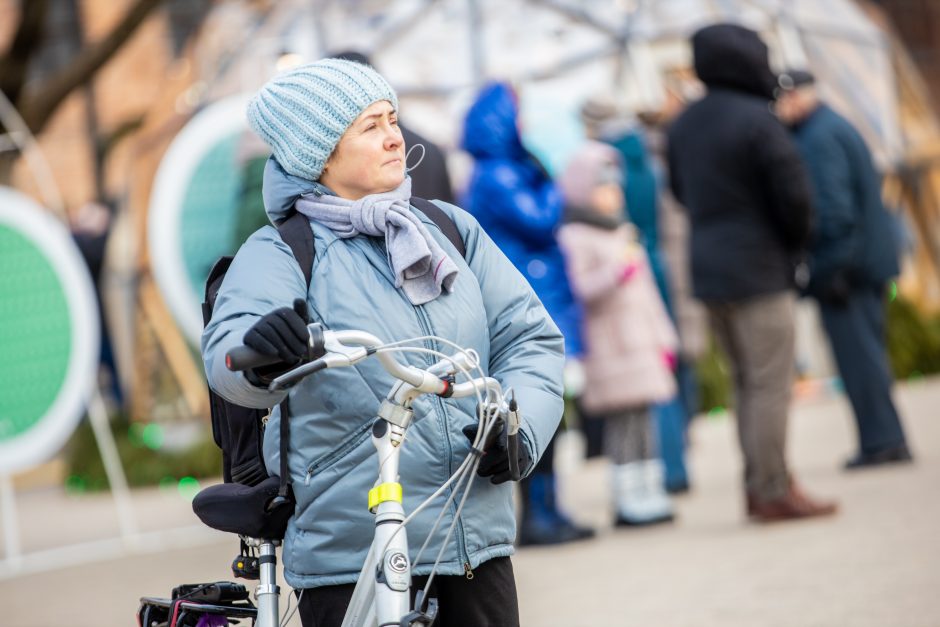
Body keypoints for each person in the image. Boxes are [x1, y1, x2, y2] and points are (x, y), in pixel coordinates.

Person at [202, 58, 565, 627]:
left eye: (393, 119)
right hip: (353, 554)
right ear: (316, 154)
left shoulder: (447, 227)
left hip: (472, 539)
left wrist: (521, 426)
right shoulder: (281, 251)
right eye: (370, 126)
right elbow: (228, 356)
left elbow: (530, 339)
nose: (395, 136)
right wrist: (260, 354)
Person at [666, 23, 837, 522]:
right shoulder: (758, 120)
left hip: (709, 267)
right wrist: (794, 244)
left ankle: (757, 485)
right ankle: (773, 487)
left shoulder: (683, 124)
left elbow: (680, 192)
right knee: (770, 384)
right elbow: (795, 197)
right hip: (759, 267)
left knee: (746, 382)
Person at [461, 80, 595, 545]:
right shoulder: (497, 175)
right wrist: (552, 183)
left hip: (543, 292)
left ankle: (550, 510)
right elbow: (538, 220)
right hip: (529, 302)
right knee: (533, 410)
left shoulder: (507, 169)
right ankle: (539, 515)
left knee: (549, 414)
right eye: (516, 113)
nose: (524, 122)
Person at [775, 69, 913, 469]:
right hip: (864, 264)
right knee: (869, 357)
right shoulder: (833, 126)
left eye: (783, 100)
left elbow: (835, 212)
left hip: (849, 271)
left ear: (797, 96)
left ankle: (882, 442)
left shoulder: (818, 139)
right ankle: (884, 438)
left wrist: (833, 269)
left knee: (860, 361)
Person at [557, 141, 678, 526]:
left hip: (641, 343)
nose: (613, 195)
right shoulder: (576, 235)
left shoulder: (623, 231)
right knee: (622, 424)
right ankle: (626, 496)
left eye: (615, 188)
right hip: (611, 348)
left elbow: (648, 296)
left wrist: (665, 338)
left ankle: (650, 488)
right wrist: (614, 274)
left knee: (645, 421)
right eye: (604, 189)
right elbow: (578, 289)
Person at [331, 50, 456, 204]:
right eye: (371, 127)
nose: (395, 140)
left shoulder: (425, 149)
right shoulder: (430, 148)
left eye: (392, 121)